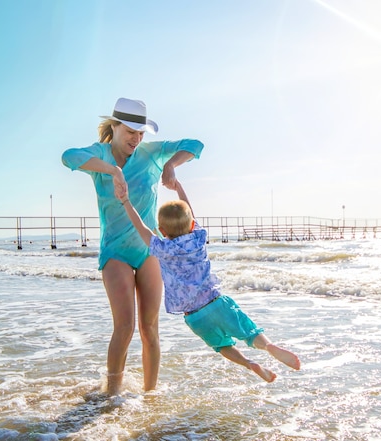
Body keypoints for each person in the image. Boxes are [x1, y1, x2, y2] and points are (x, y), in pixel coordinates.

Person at [61, 98, 204, 394]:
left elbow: (196, 144)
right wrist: (113, 171)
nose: (136, 139)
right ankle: (111, 396)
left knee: (150, 329)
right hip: (115, 252)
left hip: (149, 249)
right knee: (124, 327)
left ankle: (149, 397)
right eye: (130, 132)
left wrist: (170, 165)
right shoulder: (99, 154)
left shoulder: (151, 153)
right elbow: (68, 156)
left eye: (140, 134)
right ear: (114, 128)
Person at [116, 180, 301, 383]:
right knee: (249, 332)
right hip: (216, 303)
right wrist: (178, 188)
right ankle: (268, 346)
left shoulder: (162, 248)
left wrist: (125, 201)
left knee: (222, 346)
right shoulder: (198, 238)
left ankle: (250, 364)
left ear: (161, 230)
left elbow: (140, 227)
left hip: (195, 318)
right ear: (192, 224)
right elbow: (191, 214)